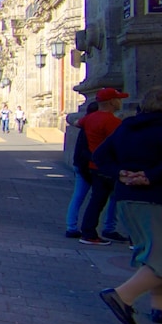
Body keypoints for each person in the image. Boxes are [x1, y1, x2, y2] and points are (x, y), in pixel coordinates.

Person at [93, 85, 162, 324]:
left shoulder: (127, 126)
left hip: (127, 199)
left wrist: (119, 173)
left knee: (155, 251)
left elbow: (101, 155)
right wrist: (151, 176)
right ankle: (123, 295)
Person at [77, 88, 131, 245]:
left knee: (97, 200)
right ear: (112, 102)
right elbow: (121, 144)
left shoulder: (89, 118)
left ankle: (88, 232)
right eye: (119, 99)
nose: (120, 102)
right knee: (121, 201)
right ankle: (127, 235)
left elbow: (76, 122)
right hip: (110, 166)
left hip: (94, 165)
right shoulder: (113, 122)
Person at [65, 101, 105, 238]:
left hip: (81, 164)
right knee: (98, 198)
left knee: (78, 197)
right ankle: (103, 228)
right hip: (88, 166)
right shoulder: (92, 126)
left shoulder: (84, 125)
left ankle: (71, 226)